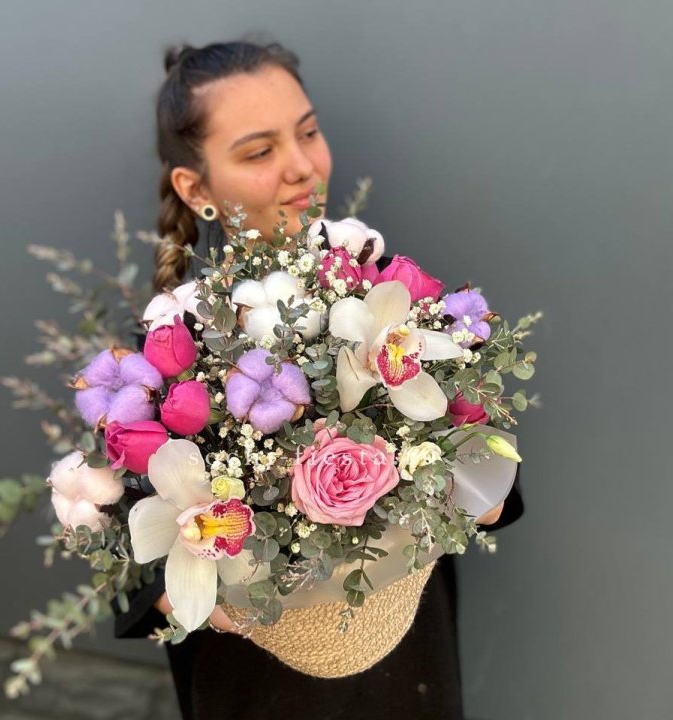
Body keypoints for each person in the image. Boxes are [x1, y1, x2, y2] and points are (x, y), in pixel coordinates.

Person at [114, 40, 524, 720]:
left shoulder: (384, 292)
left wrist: (477, 484)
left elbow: (486, 470)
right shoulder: (173, 348)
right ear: (195, 188)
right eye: (259, 151)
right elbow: (121, 533)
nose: (302, 166)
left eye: (307, 132)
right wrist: (172, 591)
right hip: (255, 682)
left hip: (405, 664)